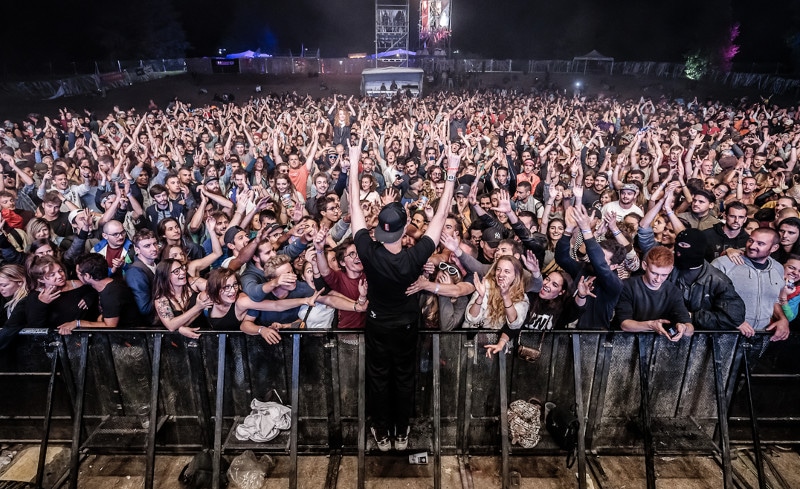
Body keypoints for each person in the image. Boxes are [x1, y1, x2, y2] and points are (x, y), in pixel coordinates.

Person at [348, 136, 458, 452]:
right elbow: (439, 216)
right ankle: (401, 433)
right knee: (404, 378)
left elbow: (355, 206)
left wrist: (354, 162)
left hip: (378, 324)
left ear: (380, 229)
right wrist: (451, 169)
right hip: (408, 324)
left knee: (379, 379)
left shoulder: (367, 251)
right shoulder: (415, 256)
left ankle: (382, 435)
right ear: (405, 225)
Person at [711, 227, 790, 341]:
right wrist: (733, 320)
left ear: (774, 247)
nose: (752, 246)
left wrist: (782, 319)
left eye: (760, 243)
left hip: (760, 336)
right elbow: (705, 299)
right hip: (724, 335)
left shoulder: (778, 268)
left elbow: (773, 299)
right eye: (751, 240)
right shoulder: (724, 264)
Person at [614, 246, 694, 341]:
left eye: (664, 275)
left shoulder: (673, 291)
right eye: (654, 273)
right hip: (624, 341)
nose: (658, 279)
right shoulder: (627, 286)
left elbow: (690, 328)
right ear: (644, 266)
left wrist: (683, 328)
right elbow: (625, 324)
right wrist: (651, 325)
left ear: (671, 270)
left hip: (657, 344)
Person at [57, 253, 145, 333]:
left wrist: (78, 323)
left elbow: (110, 326)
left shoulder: (111, 294)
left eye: (78, 274)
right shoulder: (108, 284)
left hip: (130, 340)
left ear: (87, 276)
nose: (77, 276)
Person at [26, 255, 98, 330]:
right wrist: (42, 304)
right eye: (52, 275)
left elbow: (99, 291)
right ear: (41, 280)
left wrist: (91, 296)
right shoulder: (35, 297)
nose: (59, 276)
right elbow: (34, 328)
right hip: (56, 339)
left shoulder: (82, 286)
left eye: (60, 270)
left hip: (86, 334)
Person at [153, 258, 214, 339]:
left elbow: (217, 289)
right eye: (176, 271)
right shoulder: (161, 299)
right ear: (165, 276)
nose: (183, 272)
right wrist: (198, 307)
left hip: (204, 335)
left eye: (182, 268)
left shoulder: (194, 283)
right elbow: (171, 326)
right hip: (178, 342)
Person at [0, 265, 31, 350]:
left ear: (20, 282)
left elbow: (10, 327)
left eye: (4, 285)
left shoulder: (25, 302)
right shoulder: (10, 302)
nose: (1, 289)